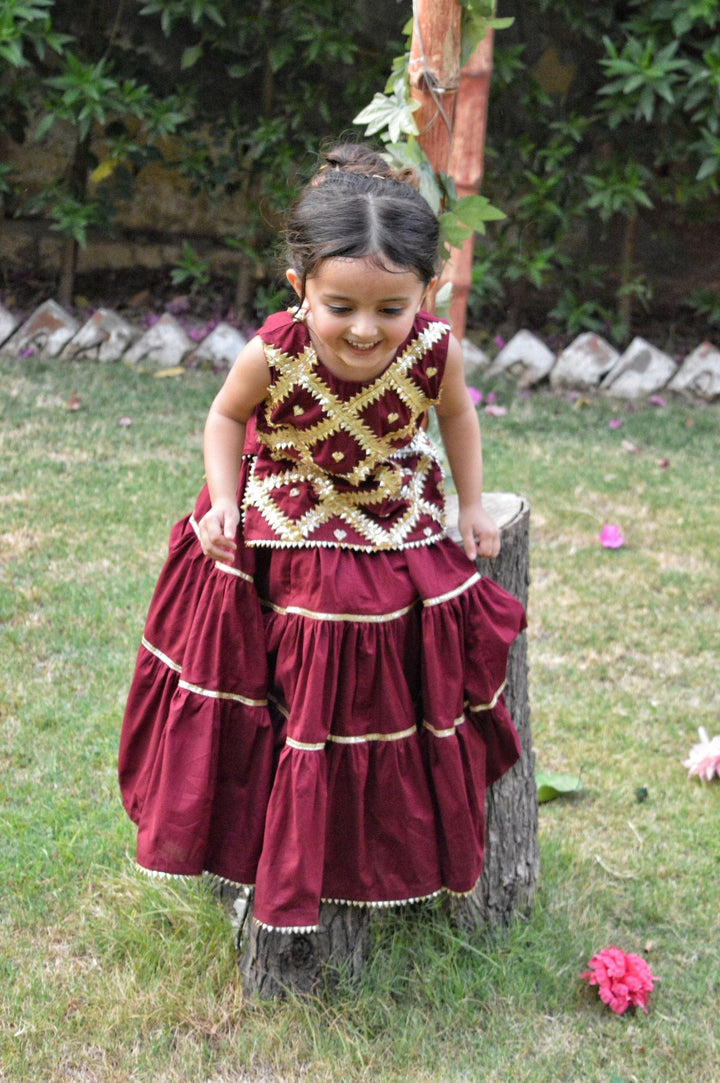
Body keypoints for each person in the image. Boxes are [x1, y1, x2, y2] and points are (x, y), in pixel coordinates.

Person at [119, 142, 526, 933]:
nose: (365, 330)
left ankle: (366, 830)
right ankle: (255, 827)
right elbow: (225, 417)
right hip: (286, 496)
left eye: (390, 308)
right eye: (340, 307)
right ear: (299, 287)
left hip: (384, 501)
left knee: (402, 625)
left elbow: (457, 416)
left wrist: (472, 506)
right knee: (302, 621)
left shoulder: (434, 349)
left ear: (427, 291)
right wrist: (226, 504)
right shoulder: (274, 350)